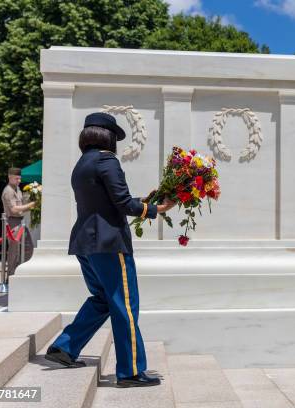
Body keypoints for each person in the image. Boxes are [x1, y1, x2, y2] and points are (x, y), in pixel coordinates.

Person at [44, 112, 176, 388]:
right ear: (108, 137)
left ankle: (65, 347)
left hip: (85, 242)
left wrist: (144, 200)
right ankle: (130, 371)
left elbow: (109, 201)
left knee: (103, 299)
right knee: (125, 306)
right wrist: (156, 209)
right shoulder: (107, 161)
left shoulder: (82, 164)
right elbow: (123, 205)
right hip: (109, 244)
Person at [1, 167, 35, 280]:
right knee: (13, 251)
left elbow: (22, 206)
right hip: (12, 222)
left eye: (20, 178)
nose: (19, 181)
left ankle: (20, 272)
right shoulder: (8, 191)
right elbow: (14, 210)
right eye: (17, 178)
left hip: (20, 222)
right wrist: (31, 205)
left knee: (29, 248)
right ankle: (10, 277)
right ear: (9, 177)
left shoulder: (17, 189)